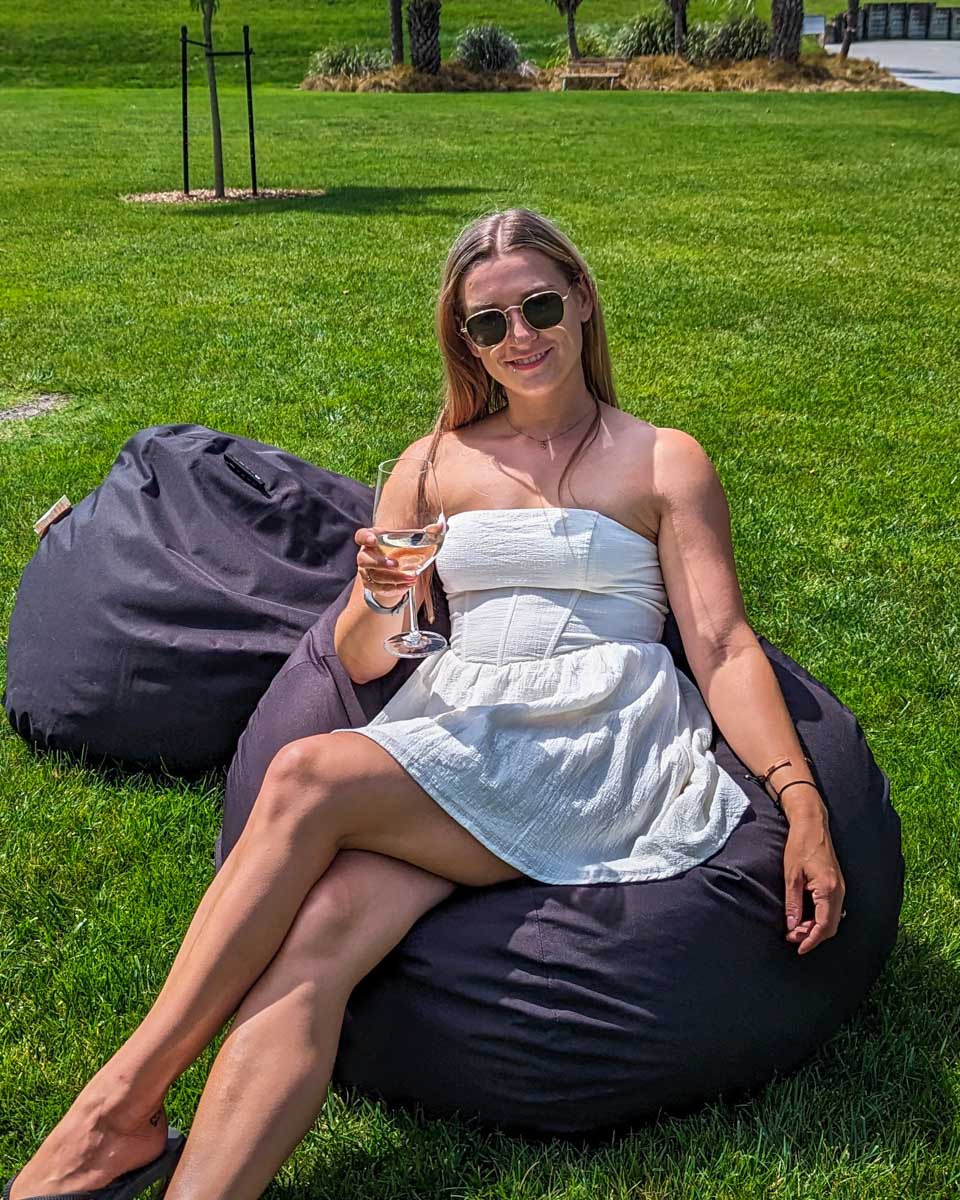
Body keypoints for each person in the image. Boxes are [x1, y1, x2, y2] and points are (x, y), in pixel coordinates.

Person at [6, 208, 845, 1200]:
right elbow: (368, 656)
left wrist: (801, 804)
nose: (520, 338)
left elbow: (721, 643)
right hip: (456, 721)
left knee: (308, 771)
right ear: (465, 340)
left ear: (579, 299)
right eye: (489, 325)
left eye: (538, 307)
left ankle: (115, 1108)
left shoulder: (663, 460)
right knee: (320, 935)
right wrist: (381, 592)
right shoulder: (430, 464)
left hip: (589, 731)